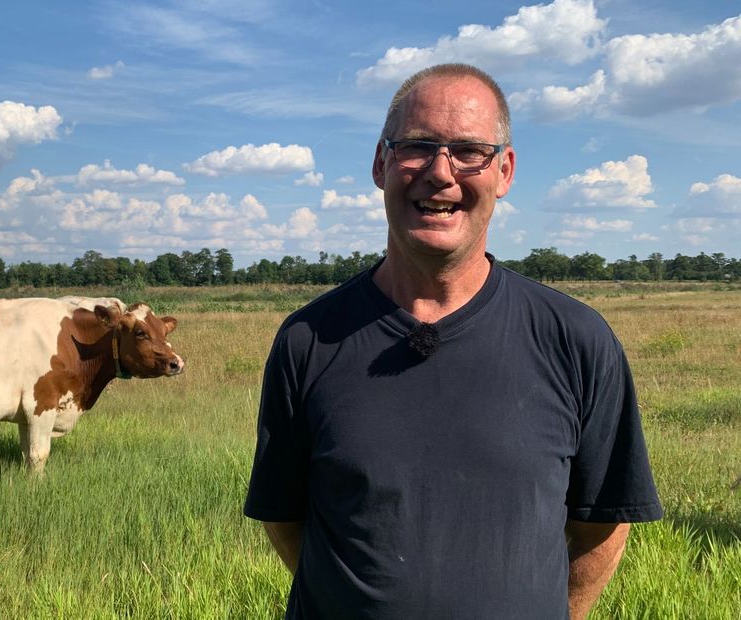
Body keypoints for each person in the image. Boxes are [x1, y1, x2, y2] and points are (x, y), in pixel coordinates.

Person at [243, 63, 662, 619]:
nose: (441, 173)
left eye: (470, 151)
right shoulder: (308, 340)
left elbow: (602, 521)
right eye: (418, 146)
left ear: (505, 171)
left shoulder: (577, 340)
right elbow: (287, 518)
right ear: (380, 163)